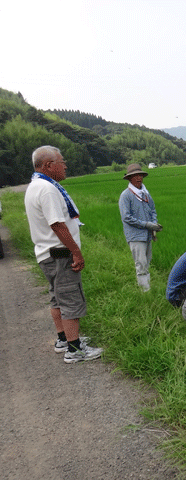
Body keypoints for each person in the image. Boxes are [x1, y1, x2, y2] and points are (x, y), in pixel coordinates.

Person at [24, 145, 103, 363]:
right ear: (49, 165)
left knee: (57, 297)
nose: (65, 166)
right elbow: (57, 225)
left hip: (46, 254)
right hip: (59, 254)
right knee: (70, 299)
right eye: (62, 162)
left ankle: (63, 339)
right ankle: (74, 350)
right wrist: (76, 252)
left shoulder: (35, 185)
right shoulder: (47, 189)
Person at [118, 163, 161, 292]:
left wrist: (154, 224)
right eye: (135, 176)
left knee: (147, 262)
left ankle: (147, 288)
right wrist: (147, 225)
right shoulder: (126, 195)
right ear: (130, 178)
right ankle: (145, 292)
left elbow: (152, 210)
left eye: (140, 175)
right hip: (136, 236)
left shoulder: (145, 194)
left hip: (147, 234)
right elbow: (126, 217)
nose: (138, 178)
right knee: (141, 264)